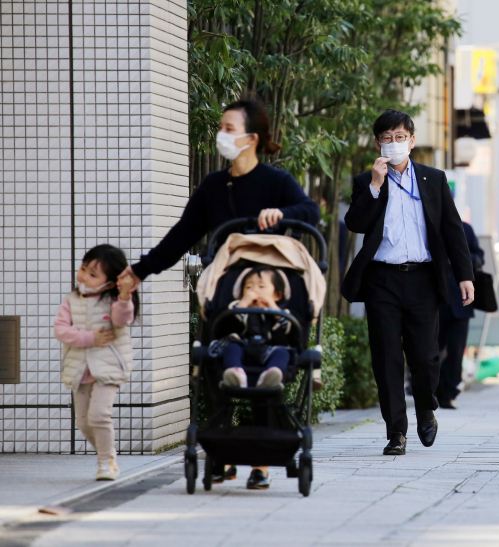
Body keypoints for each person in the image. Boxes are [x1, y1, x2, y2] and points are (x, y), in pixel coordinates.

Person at [119, 99, 320, 491]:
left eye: (229, 128)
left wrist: (280, 215)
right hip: (225, 288)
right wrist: (140, 271)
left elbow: (309, 211)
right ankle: (222, 455)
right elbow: (180, 237)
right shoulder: (213, 186)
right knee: (217, 360)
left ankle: (261, 462)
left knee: (265, 359)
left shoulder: (275, 182)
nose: (222, 135)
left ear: (251, 138)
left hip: (270, 290)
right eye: (223, 127)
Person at [341, 109, 475, 456]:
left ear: (412, 141)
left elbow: (452, 230)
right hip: (382, 278)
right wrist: (374, 185)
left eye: (401, 137)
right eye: (387, 138)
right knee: (386, 357)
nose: (394, 144)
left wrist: (464, 275)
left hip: (423, 277)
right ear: (377, 143)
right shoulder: (366, 181)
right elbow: (355, 223)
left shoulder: (433, 178)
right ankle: (395, 432)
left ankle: (426, 408)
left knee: (425, 355)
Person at [54, 245, 138, 481]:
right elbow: (61, 330)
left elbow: (122, 320)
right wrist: (91, 338)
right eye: (83, 269)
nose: (83, 276)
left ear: (110, 282)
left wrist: (125, 296)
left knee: (99, 415)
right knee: (83, 422)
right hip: (80, 369)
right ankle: (108, 453)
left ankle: (106, 463)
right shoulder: (72, 300)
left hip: (108, 367)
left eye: (92, 274)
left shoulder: (114, 299)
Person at [221, 265, 295, 390]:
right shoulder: (236, 308)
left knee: (283, 353)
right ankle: (236, 374)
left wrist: (274, 309)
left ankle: (271, 375)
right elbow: (226, 327)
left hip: (269, 351)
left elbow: (289, 333)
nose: (253, 291)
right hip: (242, 348)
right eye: (248, 287)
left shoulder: (281, 312)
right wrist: (243, 305)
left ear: (277, 295)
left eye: (261, 287)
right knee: (231, 348)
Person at [436, 222, 485, 409]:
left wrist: (458, 259)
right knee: (431, 351)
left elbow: (479, 256)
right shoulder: (426, 225)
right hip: (433, 300)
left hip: (460, 301)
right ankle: (432, 390)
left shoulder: (465, 228)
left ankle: (449, 393)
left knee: (456, 352)